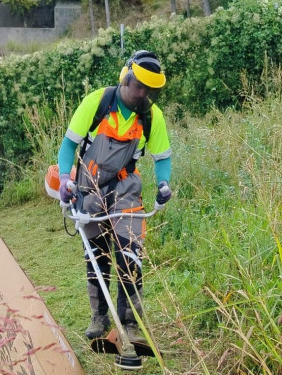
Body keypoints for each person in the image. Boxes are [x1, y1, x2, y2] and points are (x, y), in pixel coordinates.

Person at [57, 50, 172, 343]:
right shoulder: (97, 102)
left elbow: (162, 158)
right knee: (96, 254)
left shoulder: (150, 115)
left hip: (125, 186)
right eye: (139, 87)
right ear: (126, 78)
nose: (143, 94)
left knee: (129, 251)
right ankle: (99, 316)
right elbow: (68, 146)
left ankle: (131, 324)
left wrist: (163, 183)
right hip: (89, 185)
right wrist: (66, 180)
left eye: (150, 90)